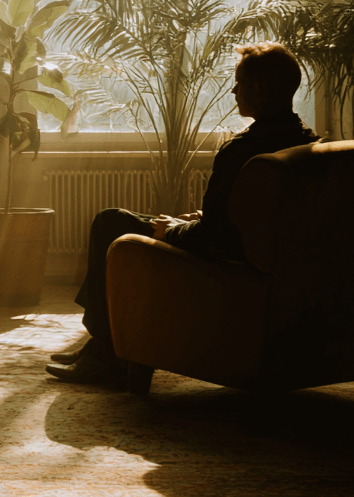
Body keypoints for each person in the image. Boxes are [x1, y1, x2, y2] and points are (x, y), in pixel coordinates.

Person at [46, 41, 319, 384]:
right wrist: (200, 219)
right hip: (266, 262)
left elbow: (215, 238)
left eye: (239, 82)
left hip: (228, 265)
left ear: (258, 89)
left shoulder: (242, 152)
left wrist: (171, 231)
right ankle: (101, 345)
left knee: (110, 222)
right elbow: (262, 219)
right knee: (130, 219)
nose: (234, 90)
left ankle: (106, 351)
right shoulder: (310, 145)